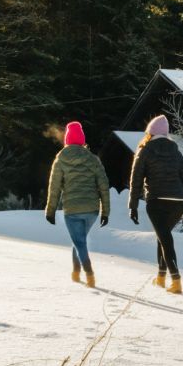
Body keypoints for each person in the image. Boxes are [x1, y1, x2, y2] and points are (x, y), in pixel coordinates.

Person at [128, 114, 183, 295]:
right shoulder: (176, 151)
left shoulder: (145, 150)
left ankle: (176, 280)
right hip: (178, 201)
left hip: (157, 201)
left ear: (150, 133)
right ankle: (161, 277)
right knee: (162, 237)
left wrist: (132, 205)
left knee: (165, 239)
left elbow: (136, 179)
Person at [44, 121, 109, 288]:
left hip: (72, 210)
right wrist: (105, 212)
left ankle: (89, 274)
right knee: (79, 240)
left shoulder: (61, 158)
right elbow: (103, 185)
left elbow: (54, 187)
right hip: (92, 211)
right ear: (82, 140)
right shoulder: (93, 159)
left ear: (67, 140)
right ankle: (75, 272)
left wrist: (50, 211)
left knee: (79, 242)